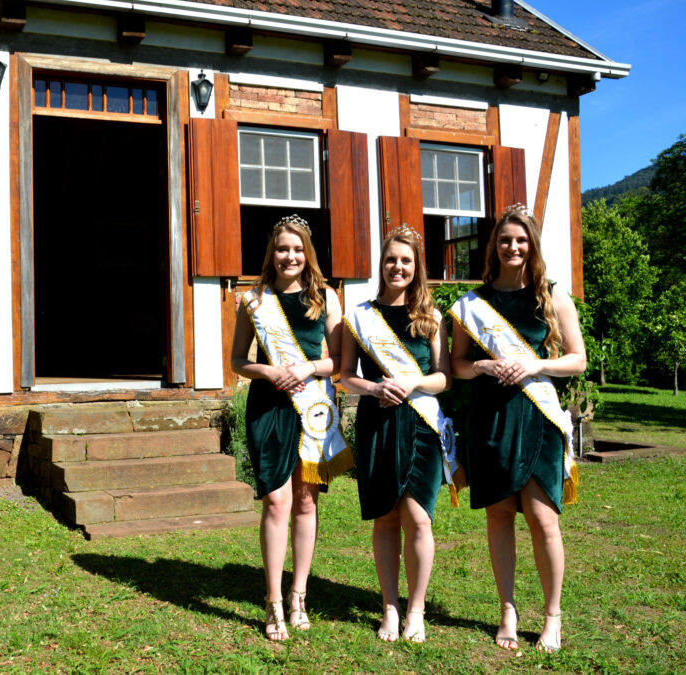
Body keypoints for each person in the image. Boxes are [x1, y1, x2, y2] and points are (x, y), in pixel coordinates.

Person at [449, 204, 586, 653]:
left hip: (538, 417)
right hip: (491, 418)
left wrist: (536, 364)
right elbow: (458, 366)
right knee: (500, 515)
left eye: (521, 239)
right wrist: (484, 365)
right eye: (505, 239)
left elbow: (577, 360)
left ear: (532, 244)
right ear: (495, 245)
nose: (513, 246)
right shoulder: (474, 304)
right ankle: (507, 608)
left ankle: (553, 615)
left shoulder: (551, 295)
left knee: (544, 519)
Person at [230, 214, 348, 642]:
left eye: (298, 249)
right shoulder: (255, 299)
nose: (290, 256)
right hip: (268, 406)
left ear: (308, 254)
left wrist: (308, 367)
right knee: (276, 501)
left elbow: (339, 361)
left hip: (311, 404)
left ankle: (299, 594)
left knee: (304, 500)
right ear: (272, 253)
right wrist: (267, 371)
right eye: (283, 249)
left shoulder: (325, 297)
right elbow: (237, 361)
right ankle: (273, 600)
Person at [340, 225, 455, 643]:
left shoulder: (431, 317)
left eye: (406, 261)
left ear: (416, 267)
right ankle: (390, 606)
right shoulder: (360, 316)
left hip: (421, 424)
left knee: (419, 518)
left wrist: (413, 384)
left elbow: (444, 378)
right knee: (386, 518)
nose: (398, 267)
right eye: (391, 259)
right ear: (381, 264)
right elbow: (346, 377)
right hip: (378, 423)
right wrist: (374, 387)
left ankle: (416, 610)